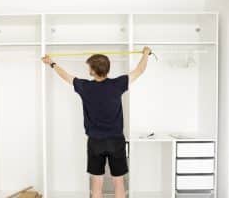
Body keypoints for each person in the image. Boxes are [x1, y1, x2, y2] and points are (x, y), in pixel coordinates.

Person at [41, 46, 152, 198]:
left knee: (97, 182)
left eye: (89, 67)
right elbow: (139, 70)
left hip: (95, 142)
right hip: (116, 141)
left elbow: (66, 76)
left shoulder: (85, 87)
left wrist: (51, 63)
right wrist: (146, 54)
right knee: (118, 182)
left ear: (93, 70)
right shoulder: (118, 84)